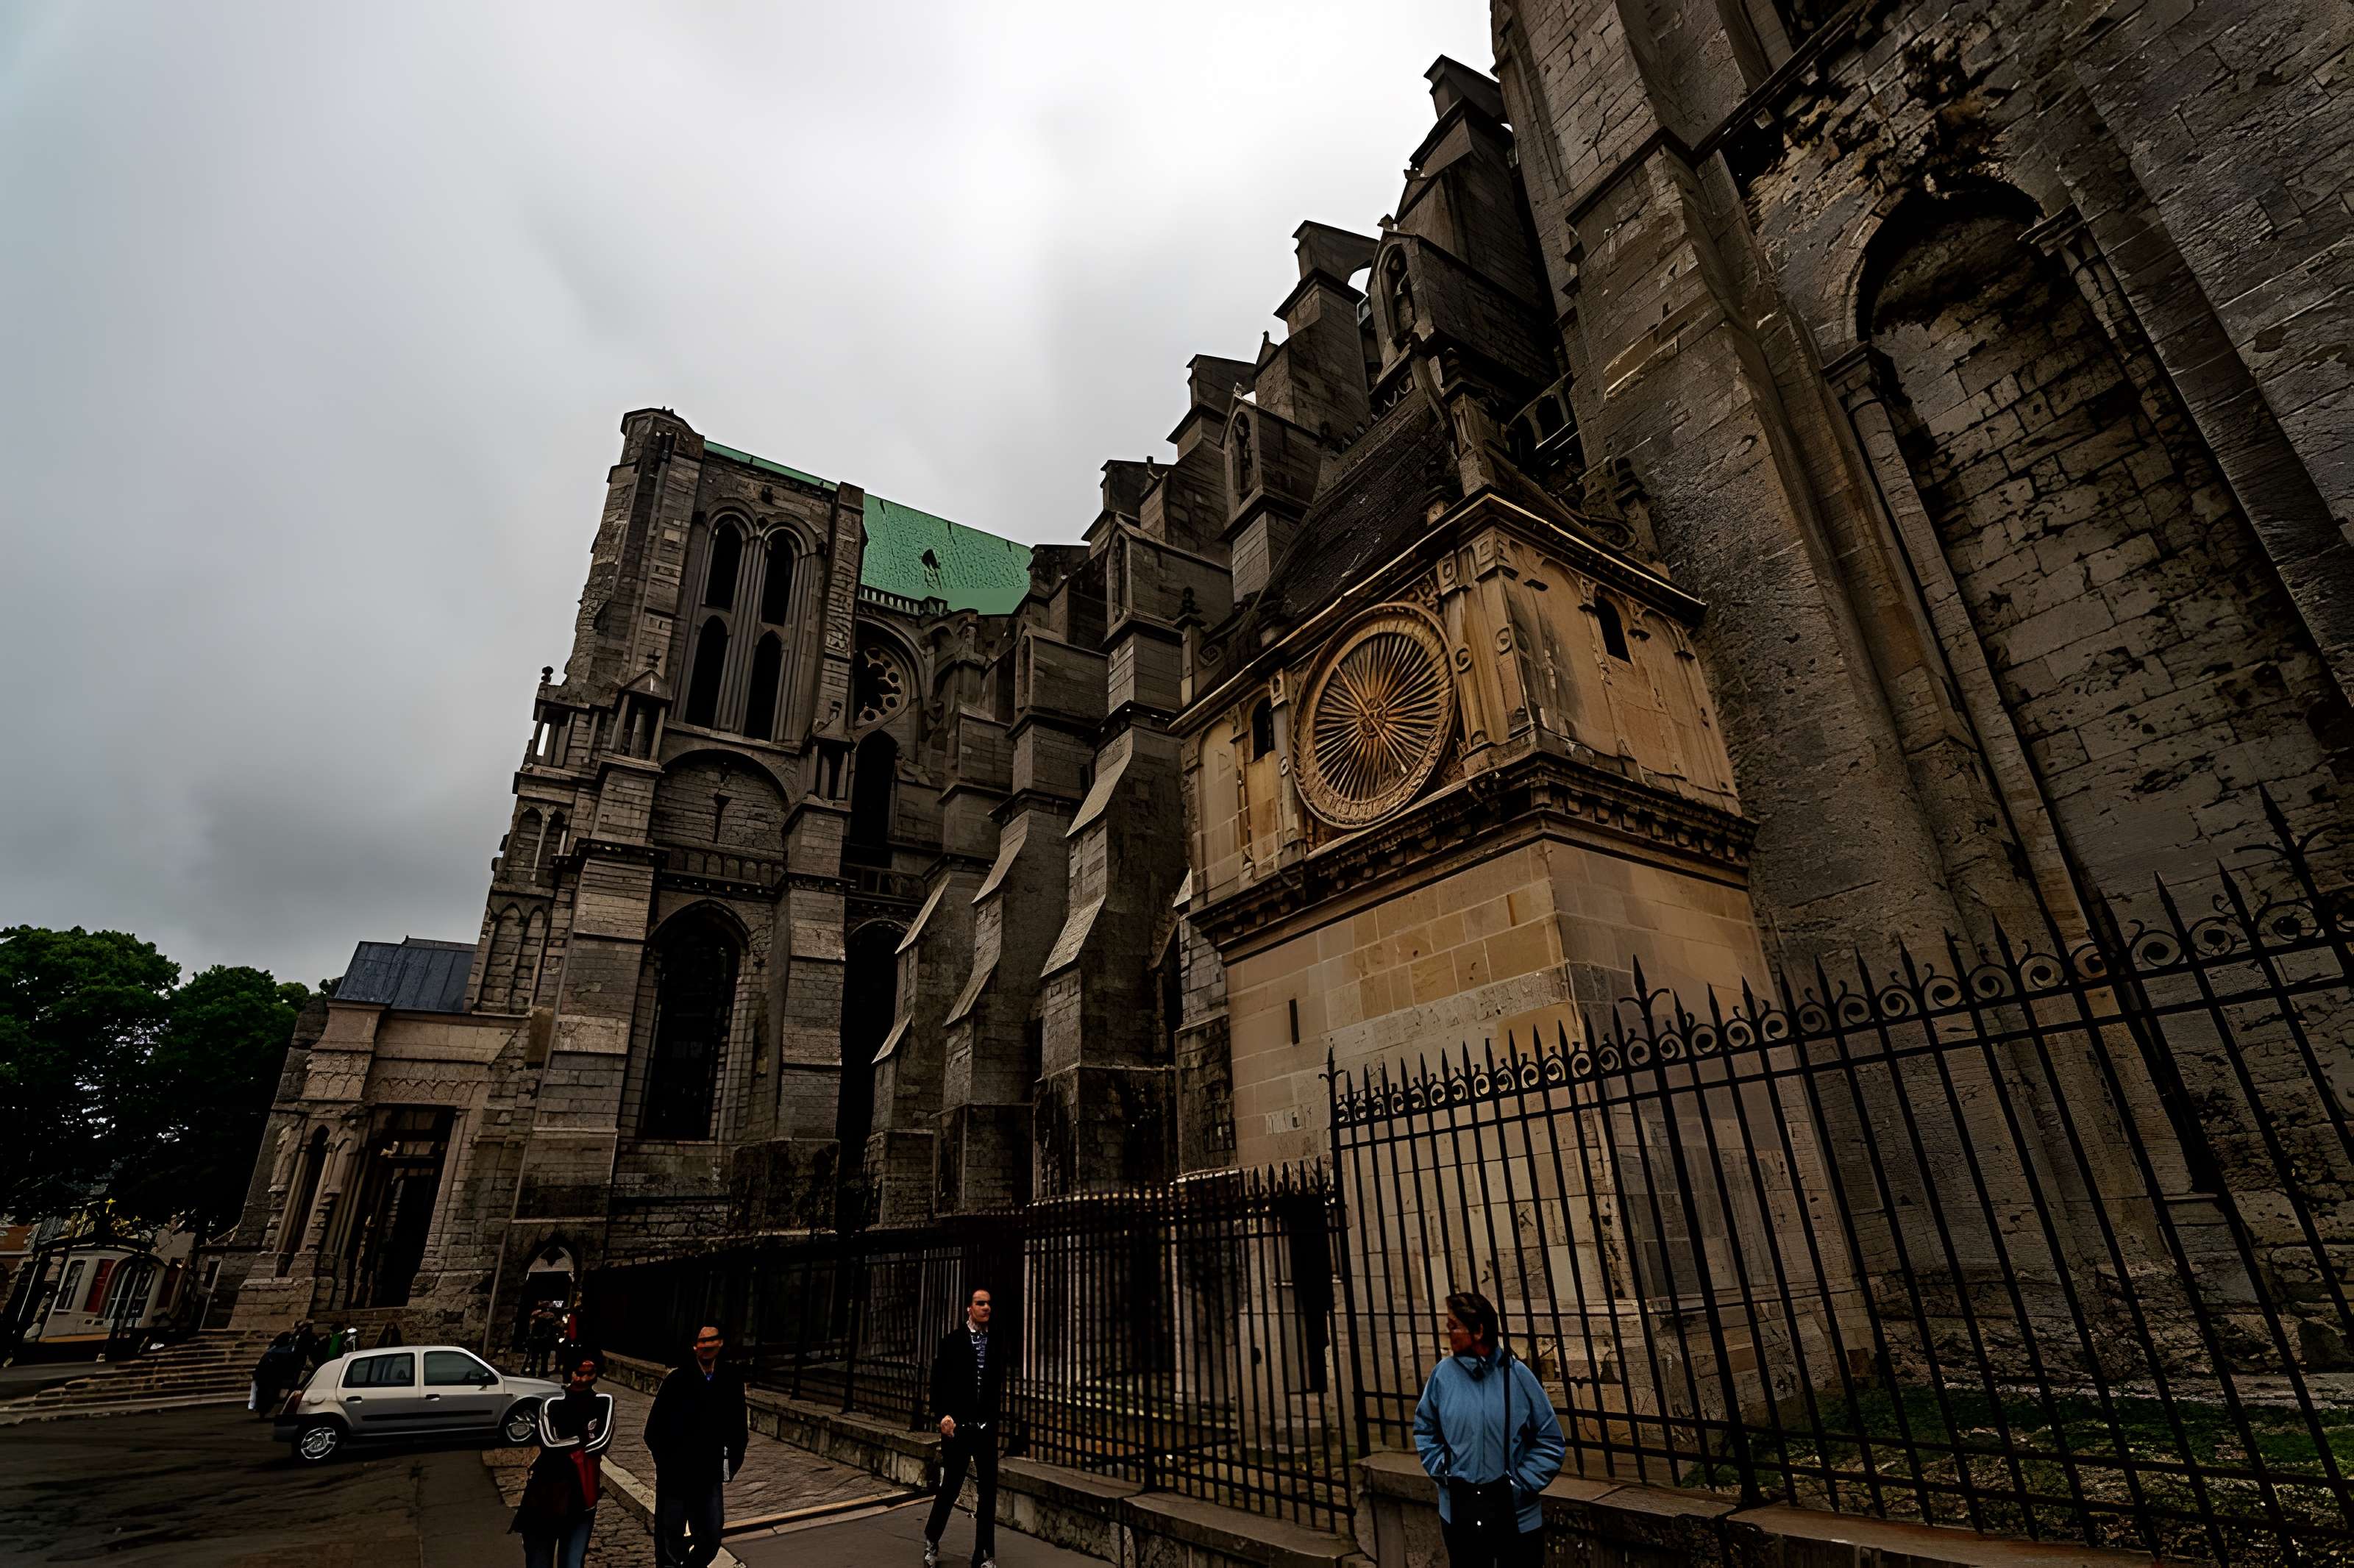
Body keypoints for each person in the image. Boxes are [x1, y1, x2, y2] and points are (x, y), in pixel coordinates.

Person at [1412, 1291, 1565, 1568]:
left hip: (1515, 1517)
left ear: (1479, 1331)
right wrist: (1443, 1469)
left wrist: (1519, 1485)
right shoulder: (1442, 1376)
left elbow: (1550, 1441)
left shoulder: (1517, 1376)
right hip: (1460, 1514)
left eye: (1454, 1326)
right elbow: (1425, 1429)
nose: (1449, 1334)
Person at [644, 1323, 747, 1568]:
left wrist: (728, 1467)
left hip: (709, 1475)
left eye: (712, 1340)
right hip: (676, 1476)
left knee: (711, 1535)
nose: (708, 1346)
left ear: (720, 1343)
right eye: (702, 1341)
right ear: (694, 1346)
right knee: (671, 1538)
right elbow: (653, 1431)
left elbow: (738, 1431)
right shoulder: (677, 1380)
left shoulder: (730, 1380)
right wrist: (668, 1465)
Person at [922, 1286, 1007, 1568]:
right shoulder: (952, 1342)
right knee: (951, 1488)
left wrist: (995, 1420)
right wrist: (942, 1415)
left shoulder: (995, 1342)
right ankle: (932, 1540)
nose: (987, 1308)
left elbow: (996, 1386)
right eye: (980, 1303)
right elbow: (938, 1383)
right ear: (969, 1309)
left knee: (988, 1492)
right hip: (958, 1428)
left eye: (989, 1304)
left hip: (985, 1429)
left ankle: (984, 1554)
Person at [511, 1349, 616, 1568]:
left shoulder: (604, 1402)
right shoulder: (552, 1405)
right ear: (571, 1373)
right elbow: (549, 1442)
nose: (585, 1378)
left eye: (590, 1372)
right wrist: (583, 1438)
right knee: (539, 1559)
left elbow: (601, 1443)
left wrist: (570, 1441)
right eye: (580, 1372)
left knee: (573, 1562)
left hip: (583, 1494)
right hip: (547, 1493)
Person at [250, 1333, 299, 1419]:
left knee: (264, 1394)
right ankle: (264, 1410)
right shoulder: (286, 1351)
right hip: (274, 1377)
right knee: (270, 1394)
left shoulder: (271, 1351)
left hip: (266, 1376)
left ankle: (262, 1411)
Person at [528, 1304, 560, 1376]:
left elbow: (533, 1328)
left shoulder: (537, 1318)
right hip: (546, 1341)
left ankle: (533, 1371)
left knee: (535, 1357)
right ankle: (543, 1372)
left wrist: (534, 1337)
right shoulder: (551, 1318)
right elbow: (552, 1329)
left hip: (538, 1340)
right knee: (544, 1358)